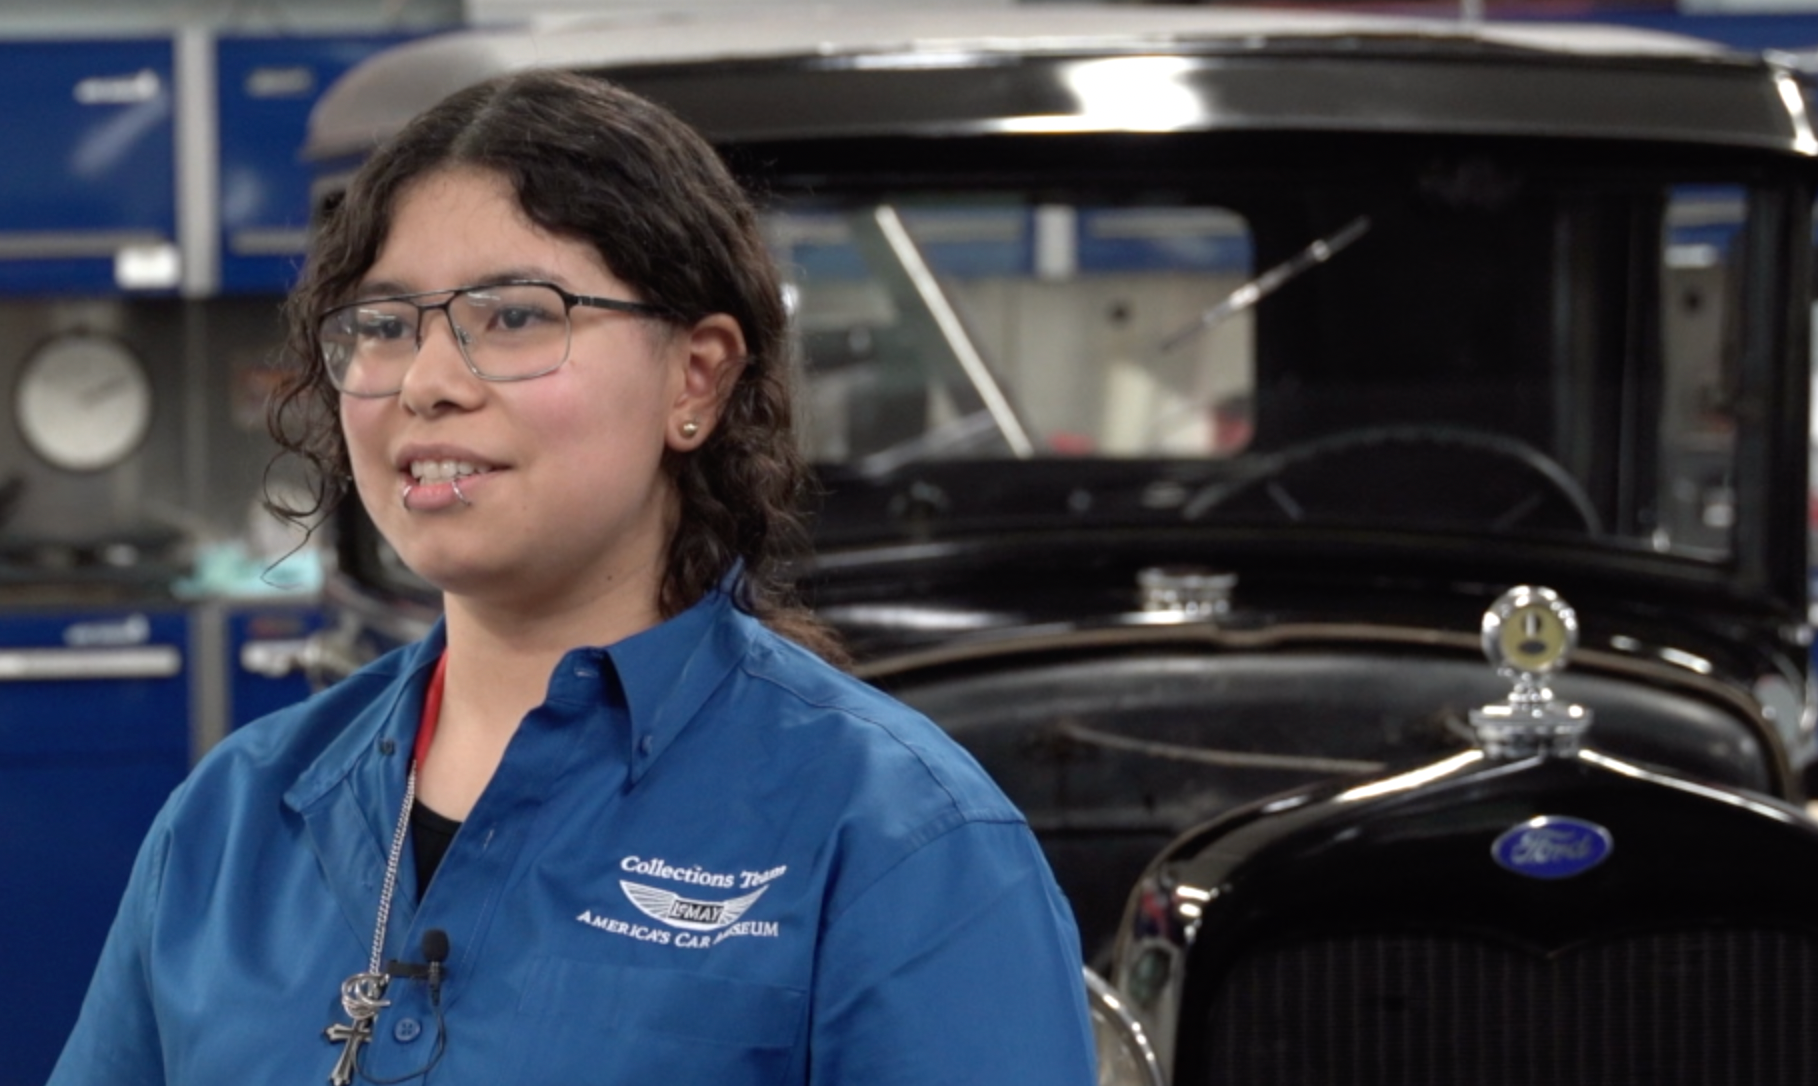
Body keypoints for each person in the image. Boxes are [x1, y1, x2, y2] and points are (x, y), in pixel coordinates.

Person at [49, 69, 1097, 1085]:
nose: (426, 382)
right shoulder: (233, 821)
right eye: (383, 325)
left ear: (696, 377)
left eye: (514, 315)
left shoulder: (901, 844)